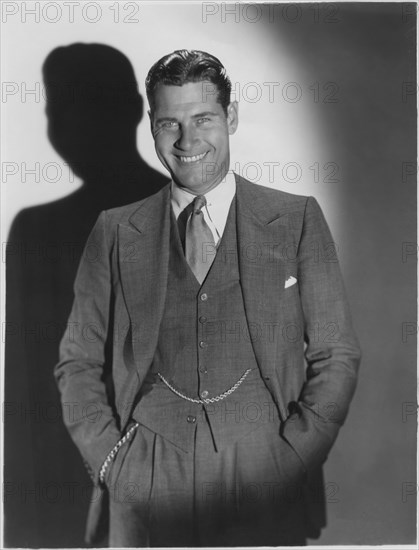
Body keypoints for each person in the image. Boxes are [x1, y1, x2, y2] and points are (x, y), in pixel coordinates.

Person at [55, 49, 361, 547]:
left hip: (264, 473)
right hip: (149, 471)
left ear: (231, 117)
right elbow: (77, 362)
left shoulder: (296, 219)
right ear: (150, 125)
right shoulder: (114, 231)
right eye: (169, 123)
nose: (188, 140)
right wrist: (114, 461)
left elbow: (336, 353)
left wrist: (295, 456)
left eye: (203, 119)